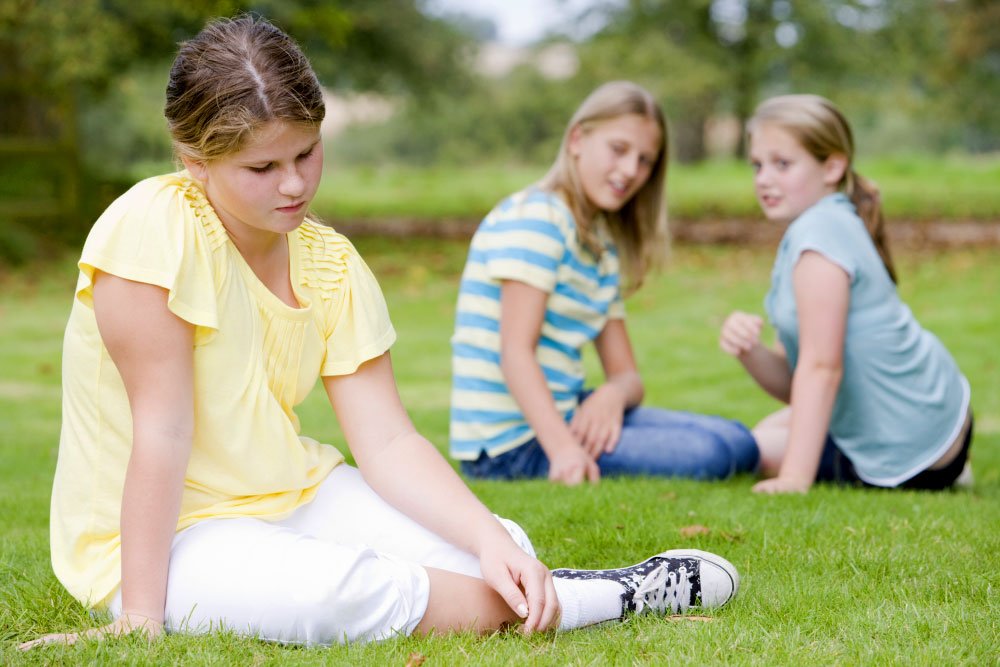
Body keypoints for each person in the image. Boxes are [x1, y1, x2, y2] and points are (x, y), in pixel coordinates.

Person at [18, 17, 742, 651]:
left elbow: (390, 441)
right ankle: (607, 594)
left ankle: (515, 584)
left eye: (306, 153)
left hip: (295, 494)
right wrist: (141, 614)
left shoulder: (330, 260)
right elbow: (163, 428)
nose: (294, 185)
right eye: (261, 168)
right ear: (193, 159)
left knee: (502, 546)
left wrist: (485, 536)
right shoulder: (152, 229)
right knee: (331, 597)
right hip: (164, 538)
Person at [449, 81, 759, 486]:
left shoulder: (598, 242)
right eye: (619, 149)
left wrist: (609, 396)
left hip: (565, 412)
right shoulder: (537, 219)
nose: (631, 171)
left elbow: (628, 376)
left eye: (645, 160)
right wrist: (563, 450)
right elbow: (514, 353)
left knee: (736, 440)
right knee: (713, 454)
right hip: (511, 446)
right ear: (577, 139)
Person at [719, 94, 973, 494]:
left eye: (782, 164)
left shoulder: (820, 234)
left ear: (832, 166)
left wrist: (794, 477)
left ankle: (940, 466)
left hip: (915, 446)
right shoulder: (821, 225)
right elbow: (795, 378)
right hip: (942, 415)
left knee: (758, 449)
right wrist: (748, 350)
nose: (763, 178)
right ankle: (951, 462)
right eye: (757, 165)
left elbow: (821, 369)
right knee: (768, 429)